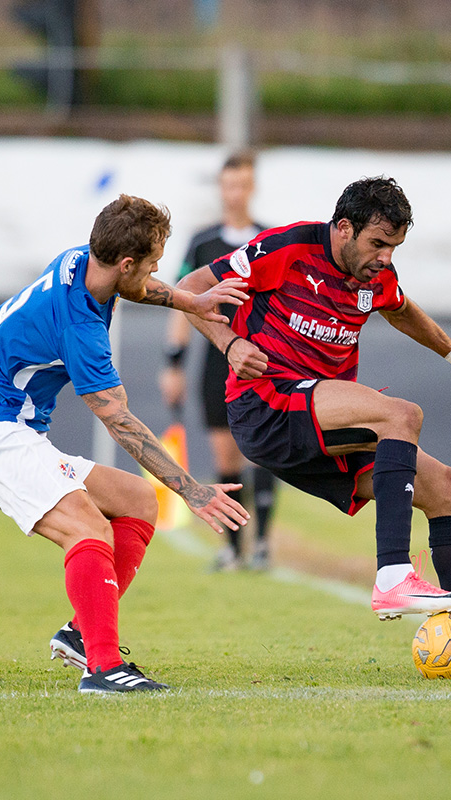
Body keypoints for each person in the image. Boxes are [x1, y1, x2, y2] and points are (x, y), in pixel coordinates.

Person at [175, 176, 451, 680]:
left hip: (322, 425)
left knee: (448, 487)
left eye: (394, 247)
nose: (385, 258)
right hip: (266, 407)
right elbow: (191, 289)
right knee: (401, 415)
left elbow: (403, 311)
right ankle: (392, 573)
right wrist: (232, 345)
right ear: (343, 229)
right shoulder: (288, 247)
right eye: (378, 244)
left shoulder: (376, 277)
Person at [0, 194, 251, 694]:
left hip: (8, 430)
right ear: (126, 262)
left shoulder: (80, 261)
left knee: (134, 501)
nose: (157, 274)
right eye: (151, 264)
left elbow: (135, 287)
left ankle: (81, 635)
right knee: (88, 528)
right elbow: (122, 424)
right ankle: (104, 669)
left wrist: (188, 301)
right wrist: (192, 490)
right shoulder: (81, 329)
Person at [160, 151, 278, 571]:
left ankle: (262, 543)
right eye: (229, 185)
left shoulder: (269, 240)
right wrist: (173, 363)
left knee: (262, 452)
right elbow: (182, 302)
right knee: (225, 456)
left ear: (252, 188)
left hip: (264, 361)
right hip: (215, 362)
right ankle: (233, 547)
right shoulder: (202, 242)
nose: (235, 194)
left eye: (243, 185)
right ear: (220, 188)